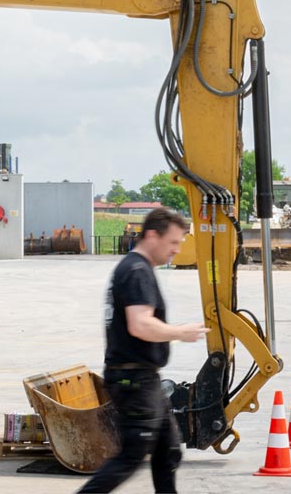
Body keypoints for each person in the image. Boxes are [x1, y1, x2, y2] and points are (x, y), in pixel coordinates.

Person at [78, 206, 205, 493]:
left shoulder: (136, 268)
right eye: (173, 242)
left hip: (143, 378)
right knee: (132, 455)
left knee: (168, 451)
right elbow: (140, 325)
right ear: (152, 235)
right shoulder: (136, 270)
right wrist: (180, 332)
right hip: (133, 381)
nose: (176, 250)